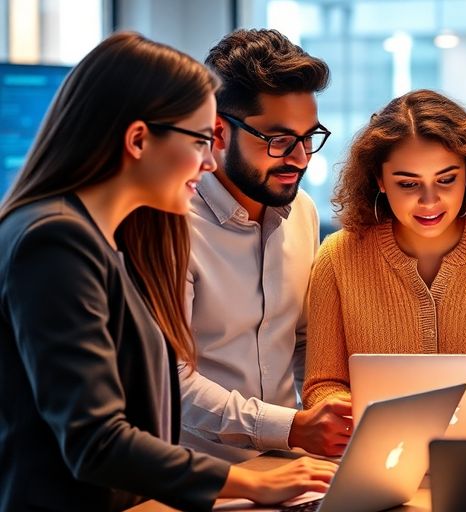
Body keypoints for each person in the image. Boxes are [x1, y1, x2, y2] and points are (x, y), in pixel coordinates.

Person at [0, 32, 335, 511]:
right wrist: (253, 484)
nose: (206, 161)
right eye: (201, 139)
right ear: (138, 139)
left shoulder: (95, 235)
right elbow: (96, 441)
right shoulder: (54, 239)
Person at [302, 89, 466, 409]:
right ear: (379, 178)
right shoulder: (338, 256)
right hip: (378, 453)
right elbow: (322, 385)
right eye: (408, 184)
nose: (430, 200)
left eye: (446, 179)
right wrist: (353, 412)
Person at [180, 28, 351, 462]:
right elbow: (167, 378)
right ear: (218, 133)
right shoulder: (172, 225)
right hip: (199, 475)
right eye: (278, 140)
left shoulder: (303, 212)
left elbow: (301, 340)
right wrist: (290, 427)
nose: (300, 159)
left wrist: (330, 414)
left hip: (290, 464)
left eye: (308, 137)